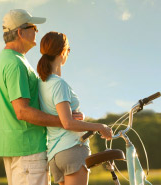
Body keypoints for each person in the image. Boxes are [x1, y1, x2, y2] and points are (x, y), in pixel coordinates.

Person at [0, 9, 113, 185]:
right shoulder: (16, 64)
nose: (36, 31)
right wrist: (65, 120)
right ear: (20, 32)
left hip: (15, 149)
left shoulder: (3, 60)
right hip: (28, 149)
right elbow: (22, 111)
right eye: (33, 27)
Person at [36, 31, 109, 185]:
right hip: (72, 150)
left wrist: (74, 114)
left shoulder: (41, 84)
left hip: (55, 155)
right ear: (62, 52)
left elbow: (59, 115)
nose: (68, 53)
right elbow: (68, 123)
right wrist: (100, 126)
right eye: (68, 49)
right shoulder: (58, 84)